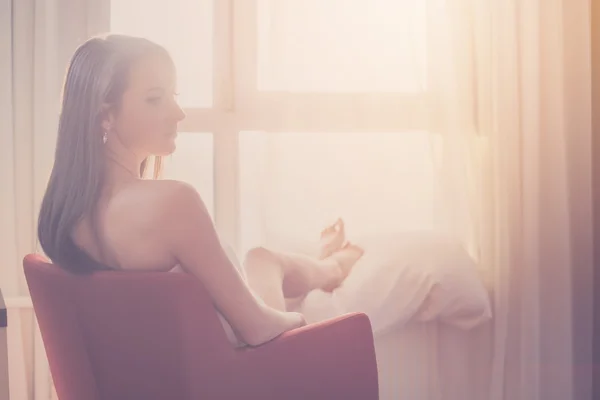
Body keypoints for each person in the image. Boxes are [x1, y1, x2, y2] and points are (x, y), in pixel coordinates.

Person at [37, 34, 364, 347]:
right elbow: (258, 330)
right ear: (105, 114)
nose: (178, 113)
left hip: (168, 373)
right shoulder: (172, 203)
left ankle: (325, 262)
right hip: (245, 368)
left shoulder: (65, 219)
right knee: (263, 259)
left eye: (173, 96)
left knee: (260, 258)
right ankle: (334, 266)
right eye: (155, 98)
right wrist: (299, 322)